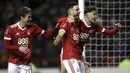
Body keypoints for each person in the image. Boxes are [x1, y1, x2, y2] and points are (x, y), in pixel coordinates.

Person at [54, 3, 121, 73]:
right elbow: (65, 19)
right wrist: (59, 22)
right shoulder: (78, 23)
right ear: (87, 15)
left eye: (96, 14)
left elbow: (109, 32)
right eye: (94, 14)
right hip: (68, 51)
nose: (96, 16)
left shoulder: (95, 27)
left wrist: (116, 29)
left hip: (78, 53)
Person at [4, 6, 59, 73]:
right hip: (13, 64)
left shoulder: (33, 27)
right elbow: (6, 46)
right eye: (28, 17)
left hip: (26, 64)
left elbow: (47, 34)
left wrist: (55, 28)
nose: (30, 19)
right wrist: (19, 48)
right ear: (22, 17)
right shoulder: (11, 29)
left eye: (31, 16)